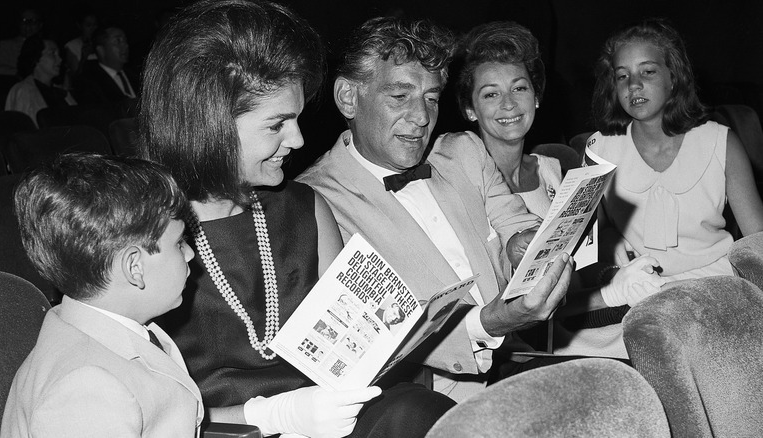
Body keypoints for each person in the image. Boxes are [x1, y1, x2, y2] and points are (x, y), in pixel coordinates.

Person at [139, 1, 455, 436]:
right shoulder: (138, 233)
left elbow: (351, 359)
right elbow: (138, 417)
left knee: (423, 411)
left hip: (333, 420)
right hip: (217, 431)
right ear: (210, 125)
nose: (299, 139)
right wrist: (274, 417)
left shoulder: (305, 207)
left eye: (298, 118)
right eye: (276, 125)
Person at [297, 16, 575, 402]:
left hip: (519, 363)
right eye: (400, 96)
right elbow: (372, 338)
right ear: (348, 97)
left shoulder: (465, 152)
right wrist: (488, 322)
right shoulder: (312, 204)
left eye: (431, 98)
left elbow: (516, 225)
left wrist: (525, 247)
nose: (423, 117)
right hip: (421, 400)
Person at [454, 21, 664, 358]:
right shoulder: (459, 179)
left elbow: (576, 281)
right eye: (491, 93)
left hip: (573, 329)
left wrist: (615, 273)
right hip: (509, 350)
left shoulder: (552, 169)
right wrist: (613, 294)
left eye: (520, 88)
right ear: (469, 109)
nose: (509, 103)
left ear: (536, 98)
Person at [0, 153, 202, 437]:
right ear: (135, 267)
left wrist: (263, 415)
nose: (191, 253)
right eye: (179, 243)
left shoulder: (103, 327)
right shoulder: (87, 388)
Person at [588, 18, 763, 282]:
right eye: (622, 75)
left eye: (648, 71)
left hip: (716, 283)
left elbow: (757, 244)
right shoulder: (599, 147)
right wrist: (608, 240)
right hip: (635, 290)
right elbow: (590, 238)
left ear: (673, 77)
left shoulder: (722, 143)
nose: (633, 84)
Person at [5, 34, 77, 124]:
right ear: (36, 58)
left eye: (58, 54)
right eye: (52, 54)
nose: (59, 59)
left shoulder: (61, 92)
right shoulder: (22, 91)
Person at [75, 26, 136, 104]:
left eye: (125, 40)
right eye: (118, 41)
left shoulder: (135, 74)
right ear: (101, 50)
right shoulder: (90, 83)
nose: (125, 45)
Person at [0, 8, 43, 76]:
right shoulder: (6, 45)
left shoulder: (47, 46)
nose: (28, 24)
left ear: (40, 25)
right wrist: (22, 73)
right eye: (24, 20)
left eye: (33, 21)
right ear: (19, 24)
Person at [63, 11, 99, 87]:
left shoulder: (102, 43)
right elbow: (75, 78)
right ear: (80, 26)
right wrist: (84, 58)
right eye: (88, 25)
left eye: (95, 25)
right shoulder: (72, 46)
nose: (93, 28)